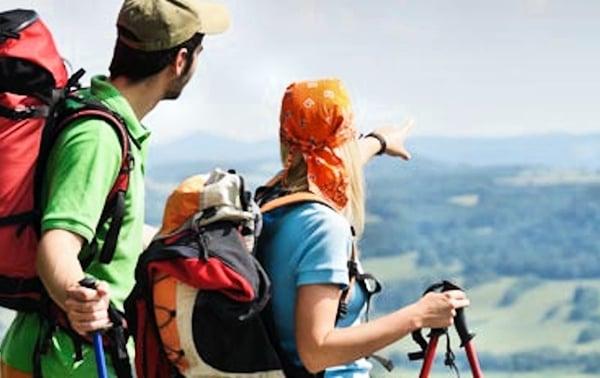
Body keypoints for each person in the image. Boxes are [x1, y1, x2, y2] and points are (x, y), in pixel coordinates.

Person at [0, 1, 230, 376]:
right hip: (67, 362)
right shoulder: (99, 137)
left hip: (57, 352)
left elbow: (104, 229)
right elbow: (56, 245)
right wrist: (79, 297)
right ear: (181, 60)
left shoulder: (106, 120)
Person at [257, 79, 470, 377]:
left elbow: (330, 159)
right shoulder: (324, 228)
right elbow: (316, 351)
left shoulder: (273, 200)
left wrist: (378, 141)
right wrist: (420, 314)